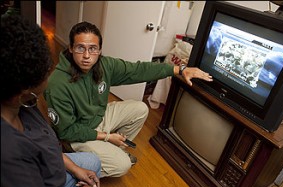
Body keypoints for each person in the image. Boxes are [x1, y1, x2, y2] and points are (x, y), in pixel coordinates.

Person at [44, 21, 213, 178]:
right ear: (71, 48)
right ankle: (76, 165)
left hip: (98, 118)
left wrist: (179, 69)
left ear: (100, 50)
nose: (87, 55)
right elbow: (66, 131)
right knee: (122, 165)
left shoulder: (104, 65)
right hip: (77, 134)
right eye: (80, 48)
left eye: (93, 48)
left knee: (140, 109)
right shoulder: (57, 84)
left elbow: (138, 70)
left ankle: (107, 150)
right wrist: (106, 137)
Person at [1, 15, 102, 187]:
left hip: (52, 169)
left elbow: (46, 147)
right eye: (47, 72)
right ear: (25, 89)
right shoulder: (10, 158)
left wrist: (75, 168)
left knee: (93, 161)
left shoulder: (25, 102)